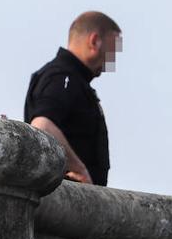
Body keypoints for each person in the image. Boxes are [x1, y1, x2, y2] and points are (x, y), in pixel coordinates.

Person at [24, 12, 122, 186]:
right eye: (112, 50)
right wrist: (80, 170)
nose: (112, 59)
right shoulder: (63, 77)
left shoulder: (72, 80)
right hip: (63, 199)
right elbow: (42, 126)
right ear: (94, 41)